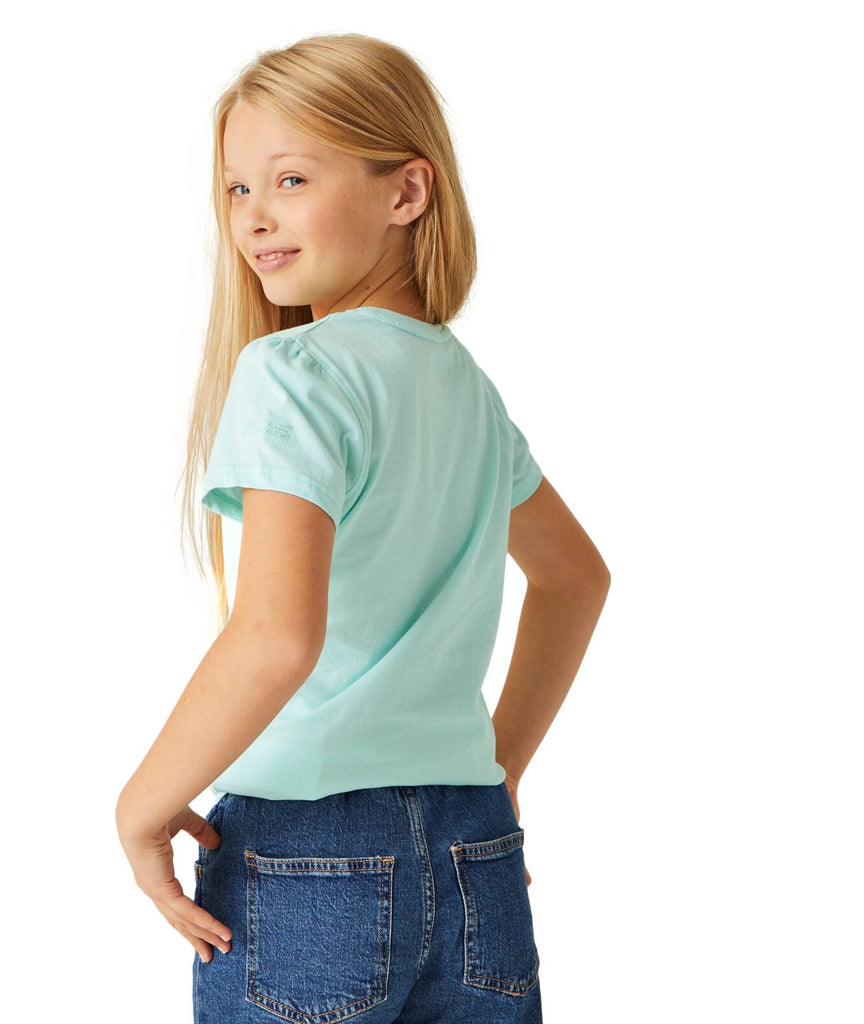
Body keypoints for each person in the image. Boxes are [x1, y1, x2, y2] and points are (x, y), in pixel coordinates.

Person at [115, 32, 610, 1024]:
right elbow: (574, 578)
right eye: (237, 189)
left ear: (406, 192)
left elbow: (275, 637)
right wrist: (500, 764)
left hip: (310, 853)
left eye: (291, 179)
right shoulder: (465, 388)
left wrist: (141, 807)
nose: (254, 217)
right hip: (474, 846)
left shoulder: (295, 373)